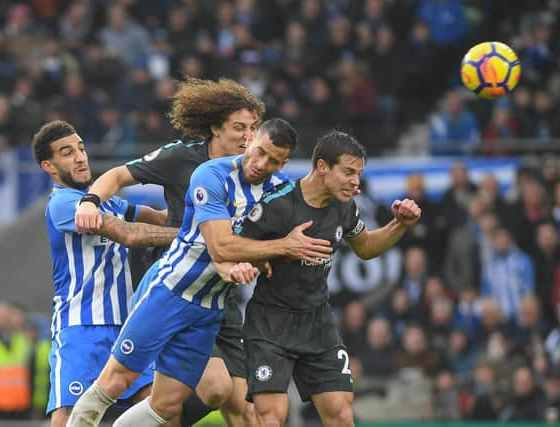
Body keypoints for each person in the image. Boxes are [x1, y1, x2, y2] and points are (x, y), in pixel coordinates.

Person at [66, 118, 333, 426]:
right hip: (170, 291)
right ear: (252, 140)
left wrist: (259, 260)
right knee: (115, 380)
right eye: (259, 152)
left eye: (274, 160)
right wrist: (283, 246)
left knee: (166, 406)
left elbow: (261, 249)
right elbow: (220, 248)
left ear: (284, 163)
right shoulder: (211, 174)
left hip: (210, 308)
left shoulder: (278, 193)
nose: (261, 163)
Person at [75, 77, 265, 426]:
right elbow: (117, 175)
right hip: (180, 287)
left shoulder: (254, 171)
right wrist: (89, 201)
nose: (247, 136)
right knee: (213, 389)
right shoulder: (181, 157)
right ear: (214, 128)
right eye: (239, 127)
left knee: (245, 410)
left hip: (222, 293)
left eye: (253, 127)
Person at [238, 130, 421, 427]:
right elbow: (236, 248)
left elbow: (366, 248)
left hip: (317, 323)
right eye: (348, 172)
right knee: (271, 417)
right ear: (323, 166)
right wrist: (274, 251)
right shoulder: (278, 204)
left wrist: (399, 225)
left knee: (340, 413)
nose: (355, 182)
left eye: (358, 174)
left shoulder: (343, 206)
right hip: (270, 323)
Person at [31, 120, 180, 427]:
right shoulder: (62, 204)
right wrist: (190, 237)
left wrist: (205, 217)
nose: (80, 157)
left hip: (127, 323)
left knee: (162, 409)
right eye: (67, 152)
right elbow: (129, 234)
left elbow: (158, 219)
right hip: (81, 326)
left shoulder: (105, 199)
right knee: (70, 416)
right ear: (48, 165)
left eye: (82, 148)